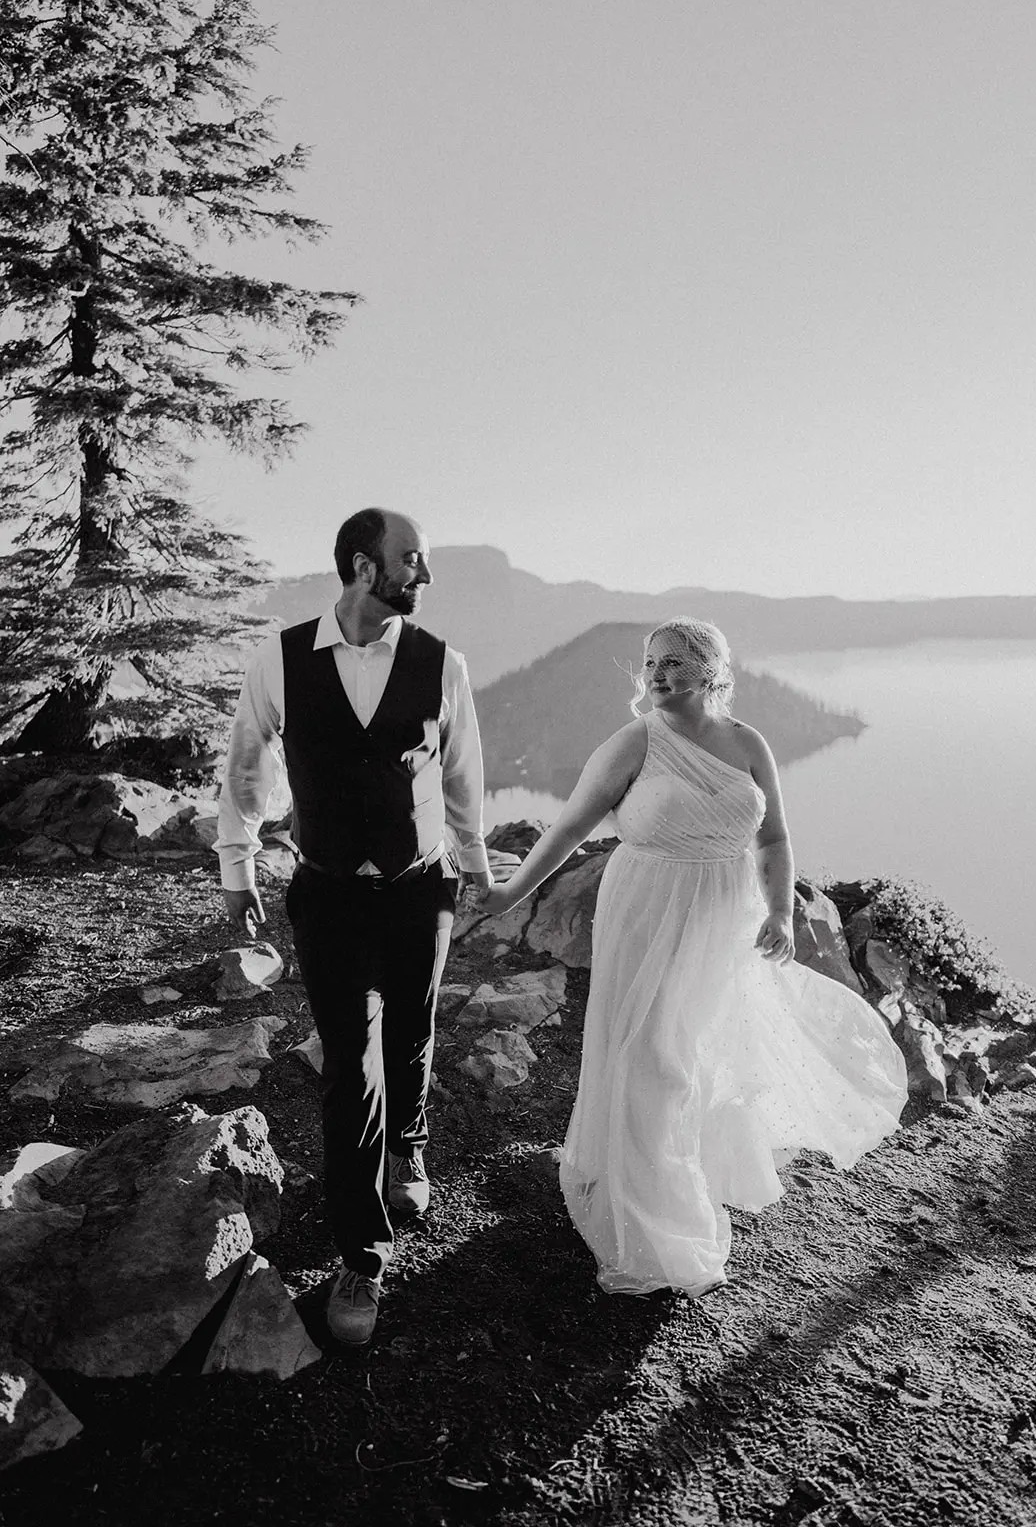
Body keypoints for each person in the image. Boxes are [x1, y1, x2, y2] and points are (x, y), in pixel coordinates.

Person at [482, 617, 907, 1296]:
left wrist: (777, 912)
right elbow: (568, 828)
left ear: (712, 670)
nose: (657, 673)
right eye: (651, 661)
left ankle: (679, 1166)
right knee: (652, 1053)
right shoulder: (633, 743)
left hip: (725, 914)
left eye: (675, 662)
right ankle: (651, 1212)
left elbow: (772, 840)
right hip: (648, 908)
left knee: (700, 1049)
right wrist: (507, 892)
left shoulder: (747, 743)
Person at [216, 507, 492, 1346]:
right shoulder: (281, 659)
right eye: (412, 559)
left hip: (420, 892)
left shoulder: (441, 663)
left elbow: (463, 772)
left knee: (413, 1032)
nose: (425, 574)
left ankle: (410, 1145)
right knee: (349, 1072)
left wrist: (476, 866)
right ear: (363, 568)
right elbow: (246, 760)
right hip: (327, 894)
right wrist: (238, 862)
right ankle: (360, 1256)